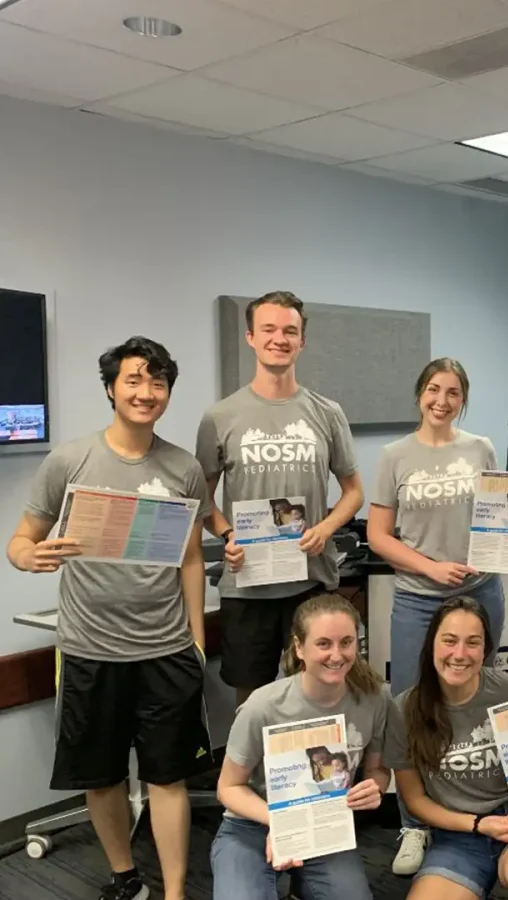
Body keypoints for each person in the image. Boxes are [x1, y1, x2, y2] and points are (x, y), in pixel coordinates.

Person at [6, 337, 211, 900]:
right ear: (111, 389)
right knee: (101, 777)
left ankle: (174, 892)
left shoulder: (184, 467)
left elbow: (191, 558)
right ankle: (126, 879)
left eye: (158, 382)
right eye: (133, 380)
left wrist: (195, 640)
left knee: (168, 777)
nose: (146, 393)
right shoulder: (69, 461)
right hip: (89, 650)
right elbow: (21, 540)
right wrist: (28, 556)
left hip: (165, 650)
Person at [367, 357, 508, 873]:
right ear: (419, 393)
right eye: (434, 390)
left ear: (463, 400)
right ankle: (414, 825)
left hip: (481, 593)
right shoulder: (394, 456)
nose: (442, 401)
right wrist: (430, 568)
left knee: (482, 695)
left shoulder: (480, 448)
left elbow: (500, 517)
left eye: (453, 393)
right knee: (411, 707)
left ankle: (492, 805)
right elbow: (378, 536)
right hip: (419, 597)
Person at [196, 291, 363, 706]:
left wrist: (326, 528)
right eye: (268, 329)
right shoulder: (220, 417)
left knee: (318, 693)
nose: (279, 339)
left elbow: (354, 492)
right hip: (247, 585)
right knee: (251, 700)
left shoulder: (327, 412)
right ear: (251, 337)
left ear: (301, 341)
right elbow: (201, 500)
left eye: (290, 331)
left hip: (310, 580)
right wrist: (228, 535)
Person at [384, 596, 508, 900]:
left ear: (485, 650)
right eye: (449, 641)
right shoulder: (405, 709)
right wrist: (478, 824)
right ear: (431, 645)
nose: (459, 654)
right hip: (457, 832)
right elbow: (415, 800)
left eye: (473, 642)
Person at [211, 593, 391, 899]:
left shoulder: (375, 698)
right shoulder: (263, 706)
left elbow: (378, 770)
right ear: (299, 647)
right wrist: (282, 823)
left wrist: (376, 788)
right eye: (323, 644)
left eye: (346, 642)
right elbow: (227, 788)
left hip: (324, 823)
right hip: (251, 823)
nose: (337, 655)